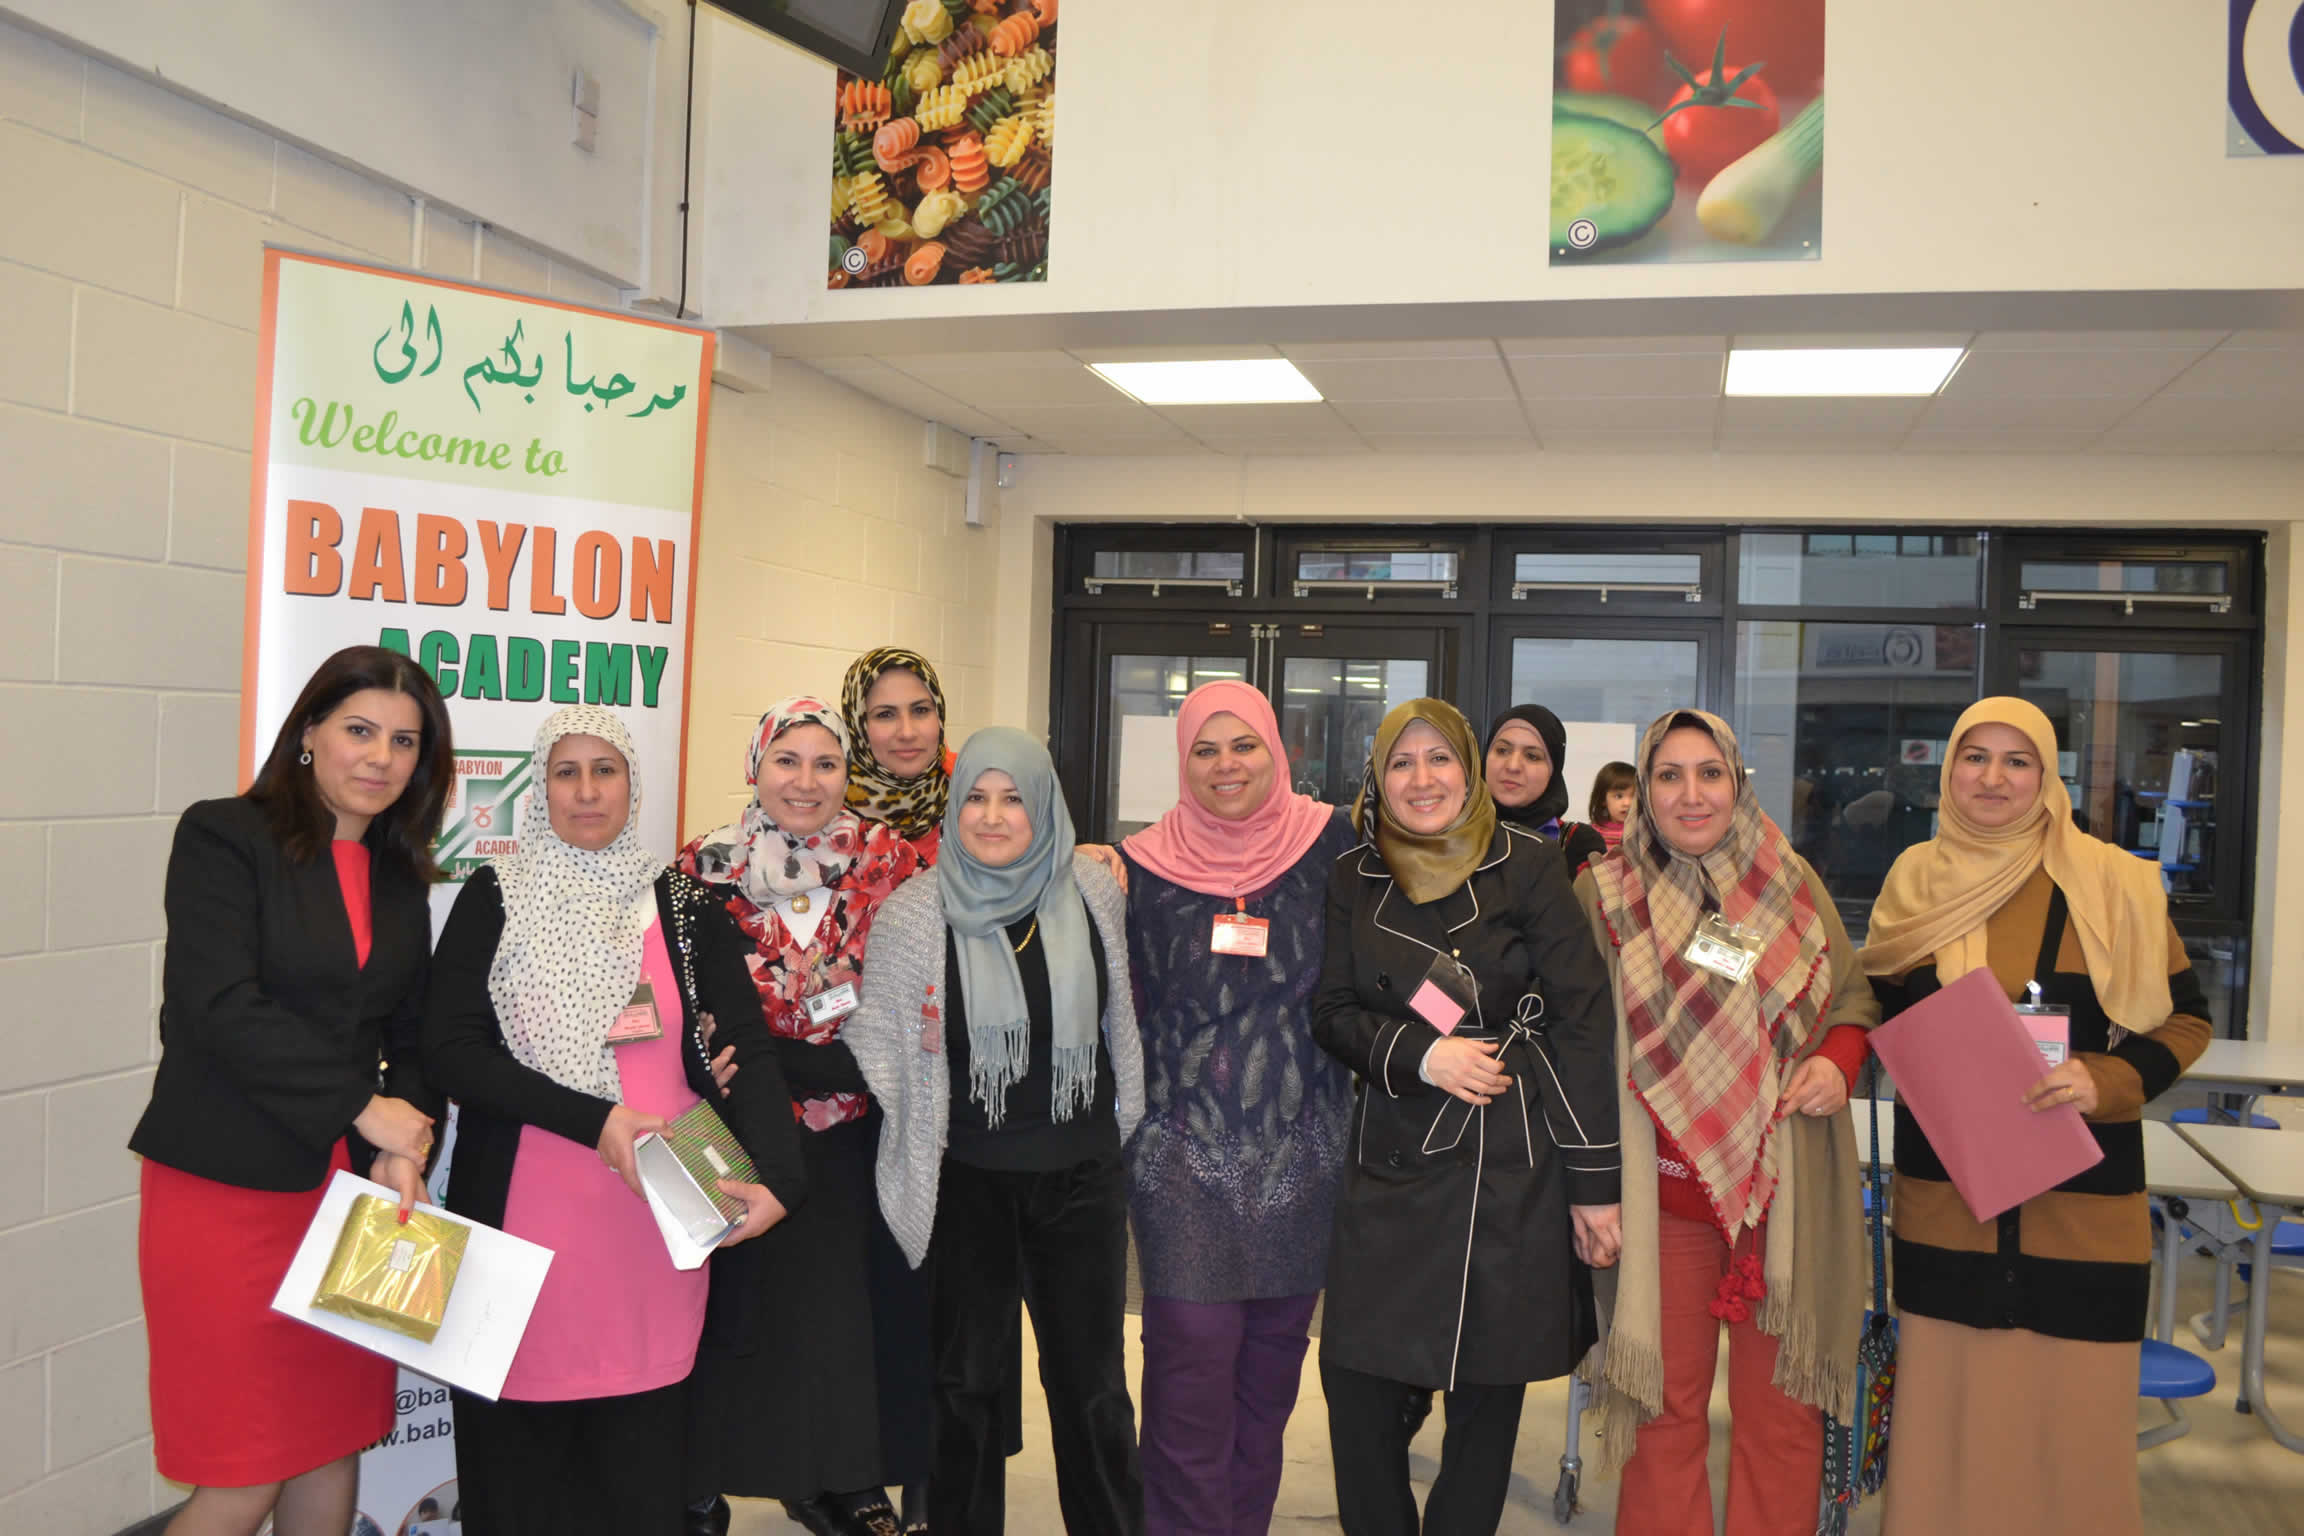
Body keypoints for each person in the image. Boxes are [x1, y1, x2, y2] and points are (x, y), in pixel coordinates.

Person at [422, 705, 807, 1535]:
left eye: (607, 771)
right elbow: (449, 1049)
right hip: (522, 1239)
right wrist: (594, 1119)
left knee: (641, 1481)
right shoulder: (495, 897)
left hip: (655, 1237)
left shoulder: (683, 905)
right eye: (566, 772)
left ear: (633, 786)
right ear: (541, 788)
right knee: (519, 1486)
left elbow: (746, 1045)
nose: (588, 791)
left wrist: (780, 1176)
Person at [1858, 698, 2213, 1536]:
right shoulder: (1915, 880)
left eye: (2018, 761)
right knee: (1949, 1436)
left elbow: (2188, 1019)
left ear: (2048, 776)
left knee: (2073, 1438)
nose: (1993, 778)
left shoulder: (2116, 883)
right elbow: (1874, 1004)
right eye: (1974, 757)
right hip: (1949, 1202)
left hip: (2084, 1209)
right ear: (1948, 769)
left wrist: (2109, 1078)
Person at [134, 645, 452, 1536]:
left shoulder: (397, 871)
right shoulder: (224, 835)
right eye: (359, 730)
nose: (379, 758)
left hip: (350, 1198)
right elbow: (215, 1007)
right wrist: (363, 1108)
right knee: (243, 1475)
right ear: (309, 731)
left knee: (331, 1442)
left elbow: (411, 1031)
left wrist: (405, 1143)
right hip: (226, 1192)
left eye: (403, 741)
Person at [1311, 698, 1621, 1536]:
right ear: (1379, 777)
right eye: (1401, 762)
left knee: (1487, 1397)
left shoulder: (1529, 864)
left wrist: (1596, 1187)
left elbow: (1583, 1021)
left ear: (1469, 770)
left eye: (1439, 758)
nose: (1422, 779)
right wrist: (1422, 1055)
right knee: (1356, 1382)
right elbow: (1331, 1013)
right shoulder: (1354, 874)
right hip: (1391, 1156)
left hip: (1509, 1159)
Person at [1574, 708, 1878, 1535]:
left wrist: (1835, 1061)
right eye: (1669, 776)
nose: (1691, 795)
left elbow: (1852, 997)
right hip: (1660, 1202)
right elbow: (1573, 1043)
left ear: (1737, 784)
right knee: (1661, 1413)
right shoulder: (1603, 893)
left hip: (1779, 1196)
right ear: (1644, 790)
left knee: (1781, 1415)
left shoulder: (1790, 880)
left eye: (1710, 774)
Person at [846, 728, 1147, 1536]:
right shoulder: (915, 913)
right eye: (975, 796)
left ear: (1042, 804)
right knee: (964, 1392)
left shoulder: (1093, 889)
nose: (991, 815)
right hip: (966, 1180)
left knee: (1093, 1393)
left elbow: (1119, 1018)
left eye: (1012, 798)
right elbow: (878, 1044)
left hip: (1081, 1175)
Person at [678, 699, 929, 1536]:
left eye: (826, 763)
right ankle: (712, 1478)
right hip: (737, 1128)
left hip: (857, 1122)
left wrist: (774, 1056)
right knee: (737, 1312)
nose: (806, 781)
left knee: (843, 1315)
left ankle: (847, 1478)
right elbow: (680, 1001)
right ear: (756, 766)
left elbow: (913, 1005)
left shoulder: (893, 866)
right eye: (787, 760)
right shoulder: (700, 870)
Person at [1117, 681, 1359, 1536]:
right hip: (1180, 1156)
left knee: (1268, 1384)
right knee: (1187, 1372)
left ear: (1276, 749)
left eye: (1244, 744)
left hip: (1304, 1155)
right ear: (1182, 762)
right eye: (1205, 750)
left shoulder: (1335, 845)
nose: (1227, 765)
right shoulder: (1137, 867)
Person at [843, 646, 958, 863]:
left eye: (921, 710)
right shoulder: (822, 810)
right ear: (857, 725)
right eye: (885, 714)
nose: (907, 733)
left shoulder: (975, 795)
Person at [1486, 704, 1609, 878]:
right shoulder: (1456, 835)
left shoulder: (1580, 844)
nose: (1513, 766)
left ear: (1553, 771)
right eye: (1502, 750)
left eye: (1532, 756)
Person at [1588, 760, 1638, 854]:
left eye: (1634, 796)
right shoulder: (1593, 833)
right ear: (1603, 799)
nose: (1627, 803)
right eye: (1619, 796)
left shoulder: (1643, 832)